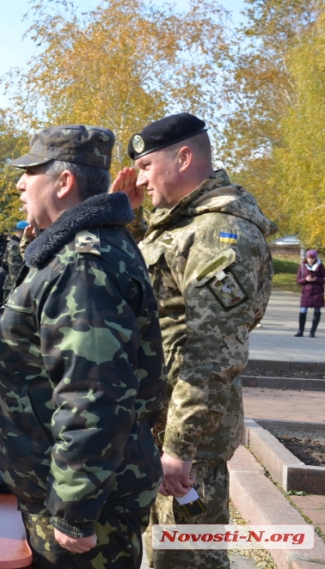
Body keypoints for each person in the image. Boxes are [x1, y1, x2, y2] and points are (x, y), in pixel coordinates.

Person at [0, 125, 166, 568]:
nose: (19, 184)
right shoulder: (83, 249)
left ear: (64, 182)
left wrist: (73, 511)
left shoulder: (81, 265)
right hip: (82, 485)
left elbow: (93, 395)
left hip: (92, 503)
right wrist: (19, 473)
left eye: (30, 172)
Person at [112, 112, 277, 569]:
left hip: (186, 444)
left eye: (146, 166)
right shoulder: (181, 224)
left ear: (184, 157)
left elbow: (212, 354)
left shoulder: (221, 235)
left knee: (185, 559)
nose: (140, 179)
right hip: (158, 426)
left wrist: (179, 450)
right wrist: (122, 221)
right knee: (161, 551)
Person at [295, 249, 324, 337]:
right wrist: (306, 279)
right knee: (303, 311)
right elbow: (298, 280)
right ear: (306, 258)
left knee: (317, 311)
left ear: (315, 258)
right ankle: (301, 331)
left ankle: (312, 331)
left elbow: (324, 279)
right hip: (306, 293)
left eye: (312, 258)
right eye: (309, 258)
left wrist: (317, 279)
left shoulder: (320, 266)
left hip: (318, 292)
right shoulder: (302, 267)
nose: (310, 259)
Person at [2, 221, 27, 300]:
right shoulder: (14, 245)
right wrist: (19, 287)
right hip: (13, 287)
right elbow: (14, 269)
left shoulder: (17, 244)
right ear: (22, 231)